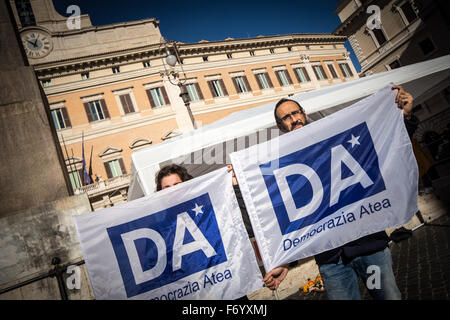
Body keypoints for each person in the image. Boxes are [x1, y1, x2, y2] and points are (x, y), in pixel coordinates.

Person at [263, 85, 418, 300]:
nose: (293, 119)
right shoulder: (284, 163)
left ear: (304, 114)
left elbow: (384, 147)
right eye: (286, 118)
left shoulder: (335, 134)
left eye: (295, 113)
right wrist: (286, 261)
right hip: (332, 263)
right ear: (281, 126)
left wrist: (405, 117)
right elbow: (295, 219)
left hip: (369, 248)